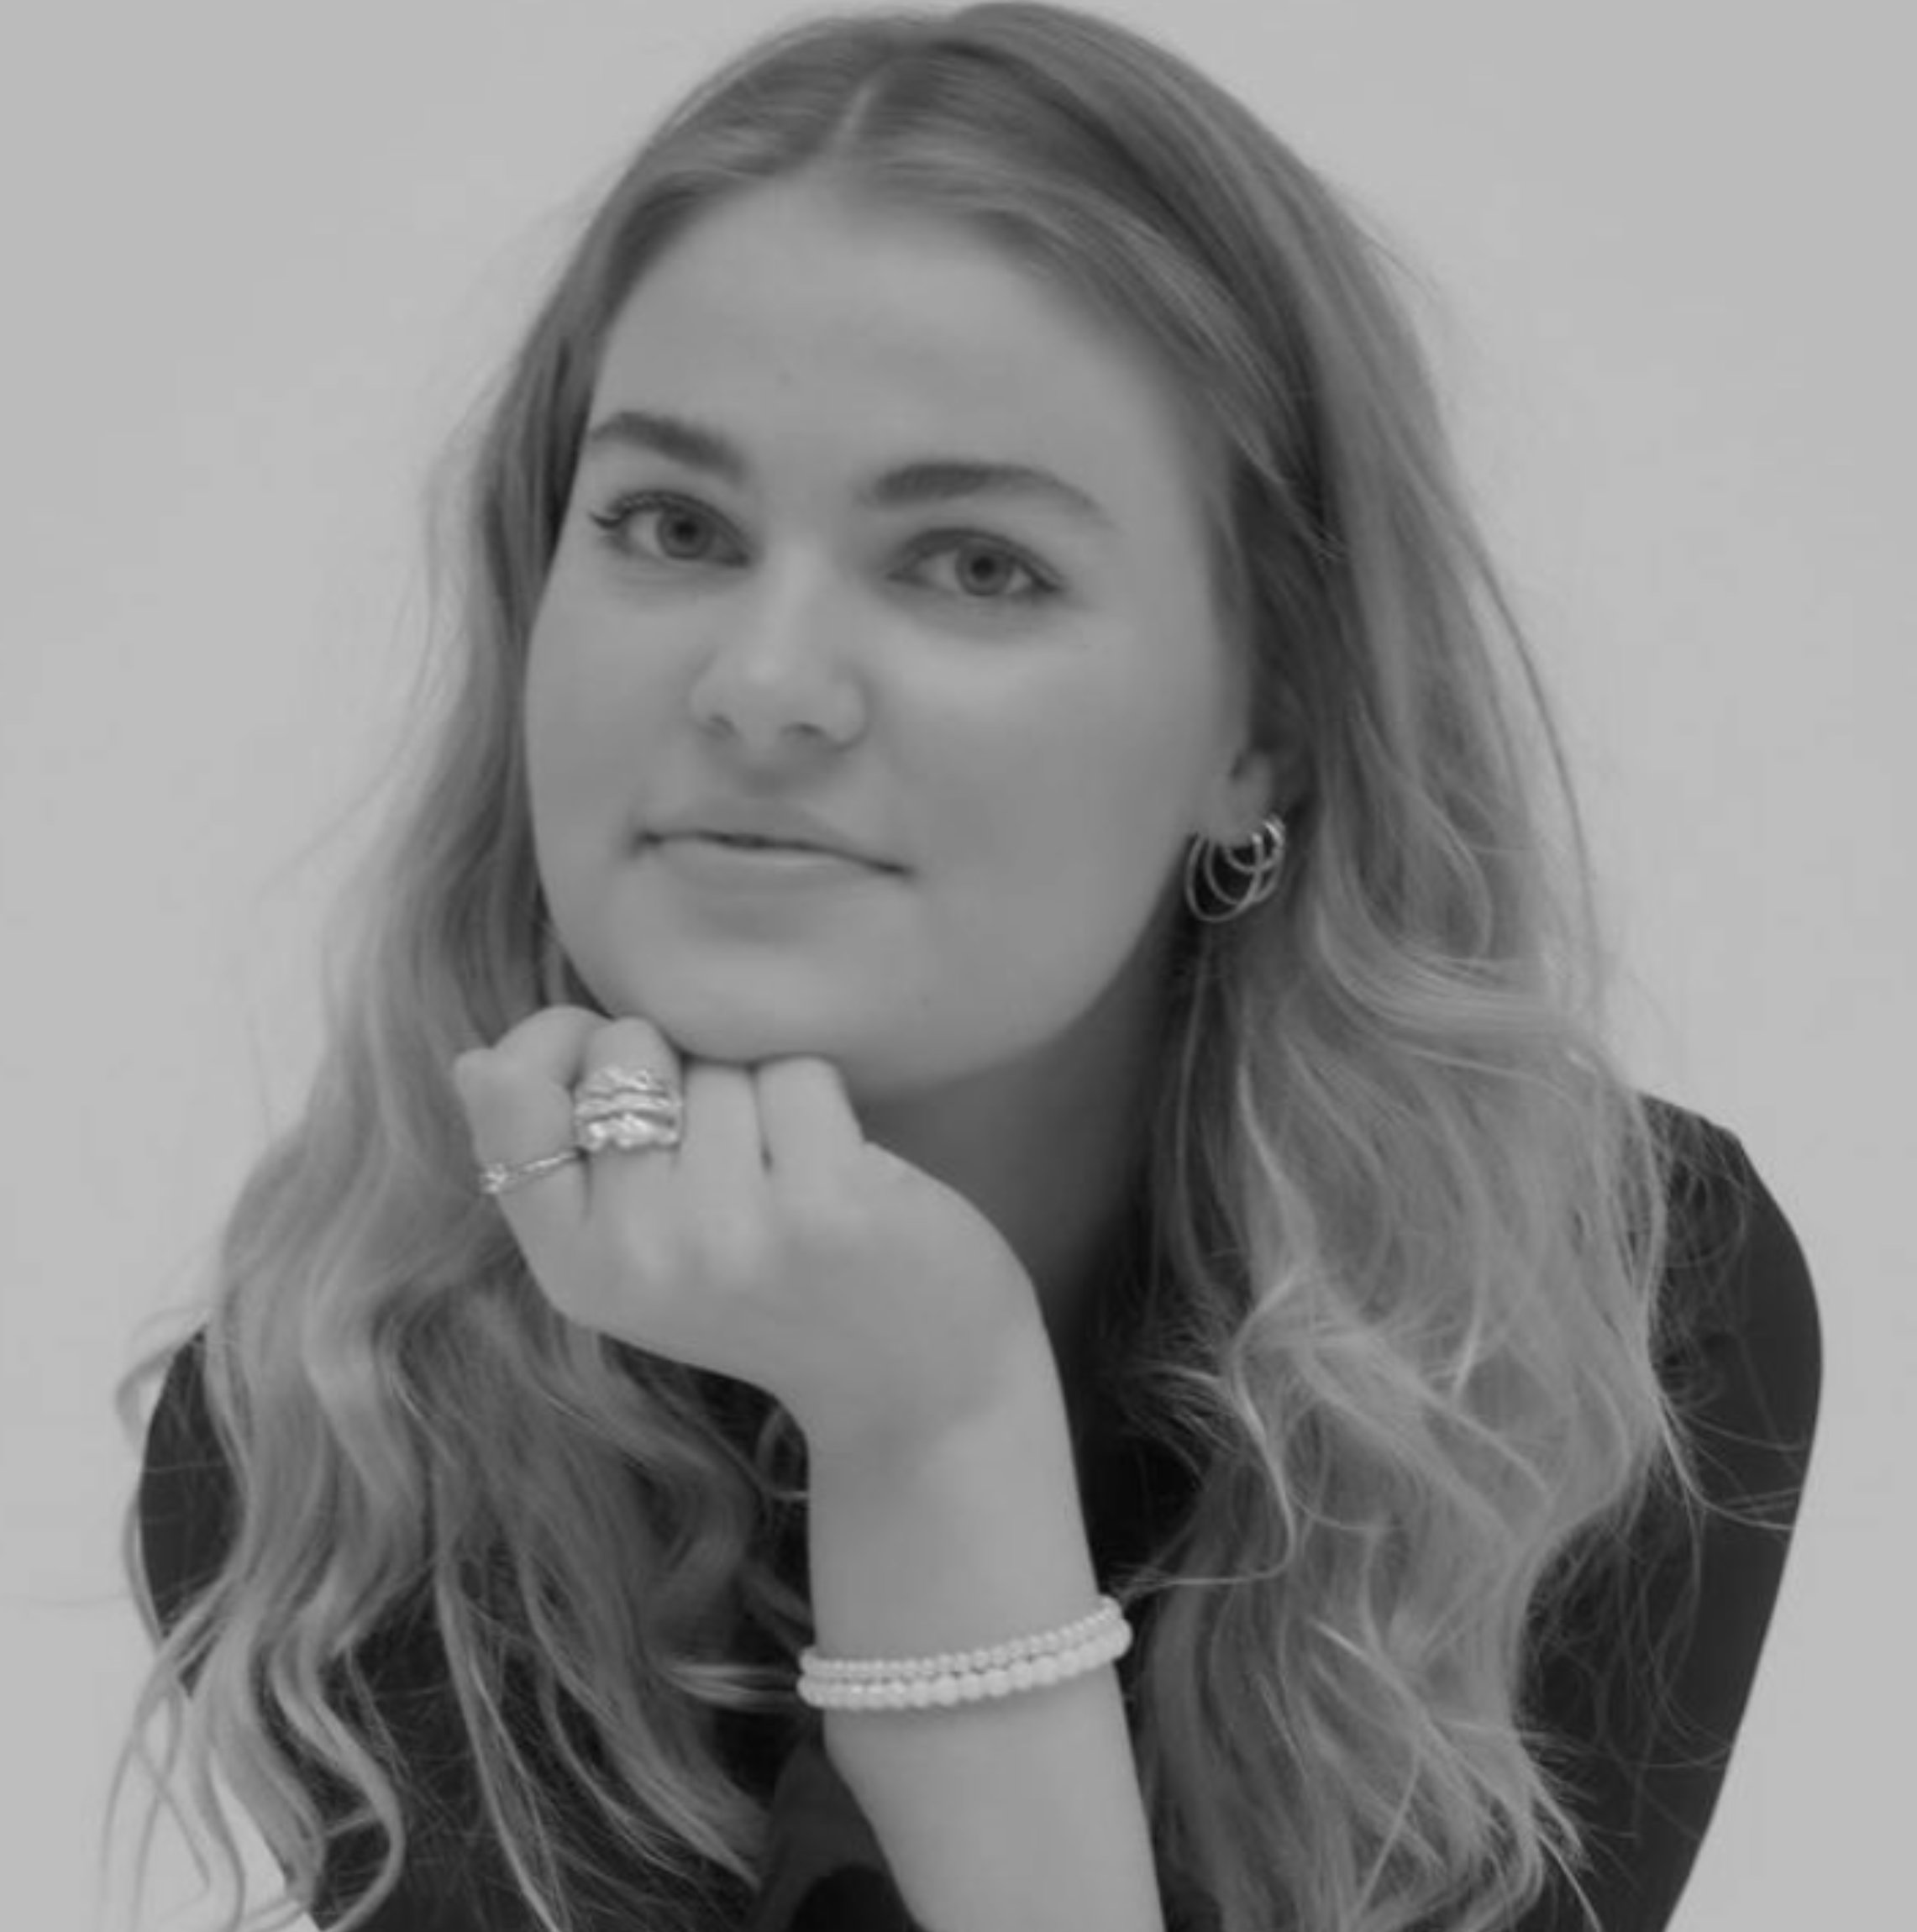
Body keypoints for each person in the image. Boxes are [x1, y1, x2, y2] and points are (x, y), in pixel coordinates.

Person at [118, 6, 1822, 1930]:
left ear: (1265, 725)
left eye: (976, 564)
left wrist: (934, 1432)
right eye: (672, 525)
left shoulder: (1589, 1316)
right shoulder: (345, 1430)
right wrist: (931, 1428)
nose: (763, 685)